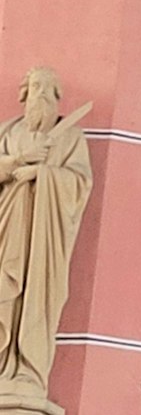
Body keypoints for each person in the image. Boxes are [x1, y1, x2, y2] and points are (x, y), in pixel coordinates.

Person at [0, 68, 91, 412]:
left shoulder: (70, 138)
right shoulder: (7, 132)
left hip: (41, 239)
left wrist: (40, 173)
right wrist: (17, 163)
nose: (40, 93)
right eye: (35, 86)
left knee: (35, 296)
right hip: (6, 229)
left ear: (56, 96)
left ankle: (27, 371)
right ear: (24, 93)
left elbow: (79, 182)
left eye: (47, 88)